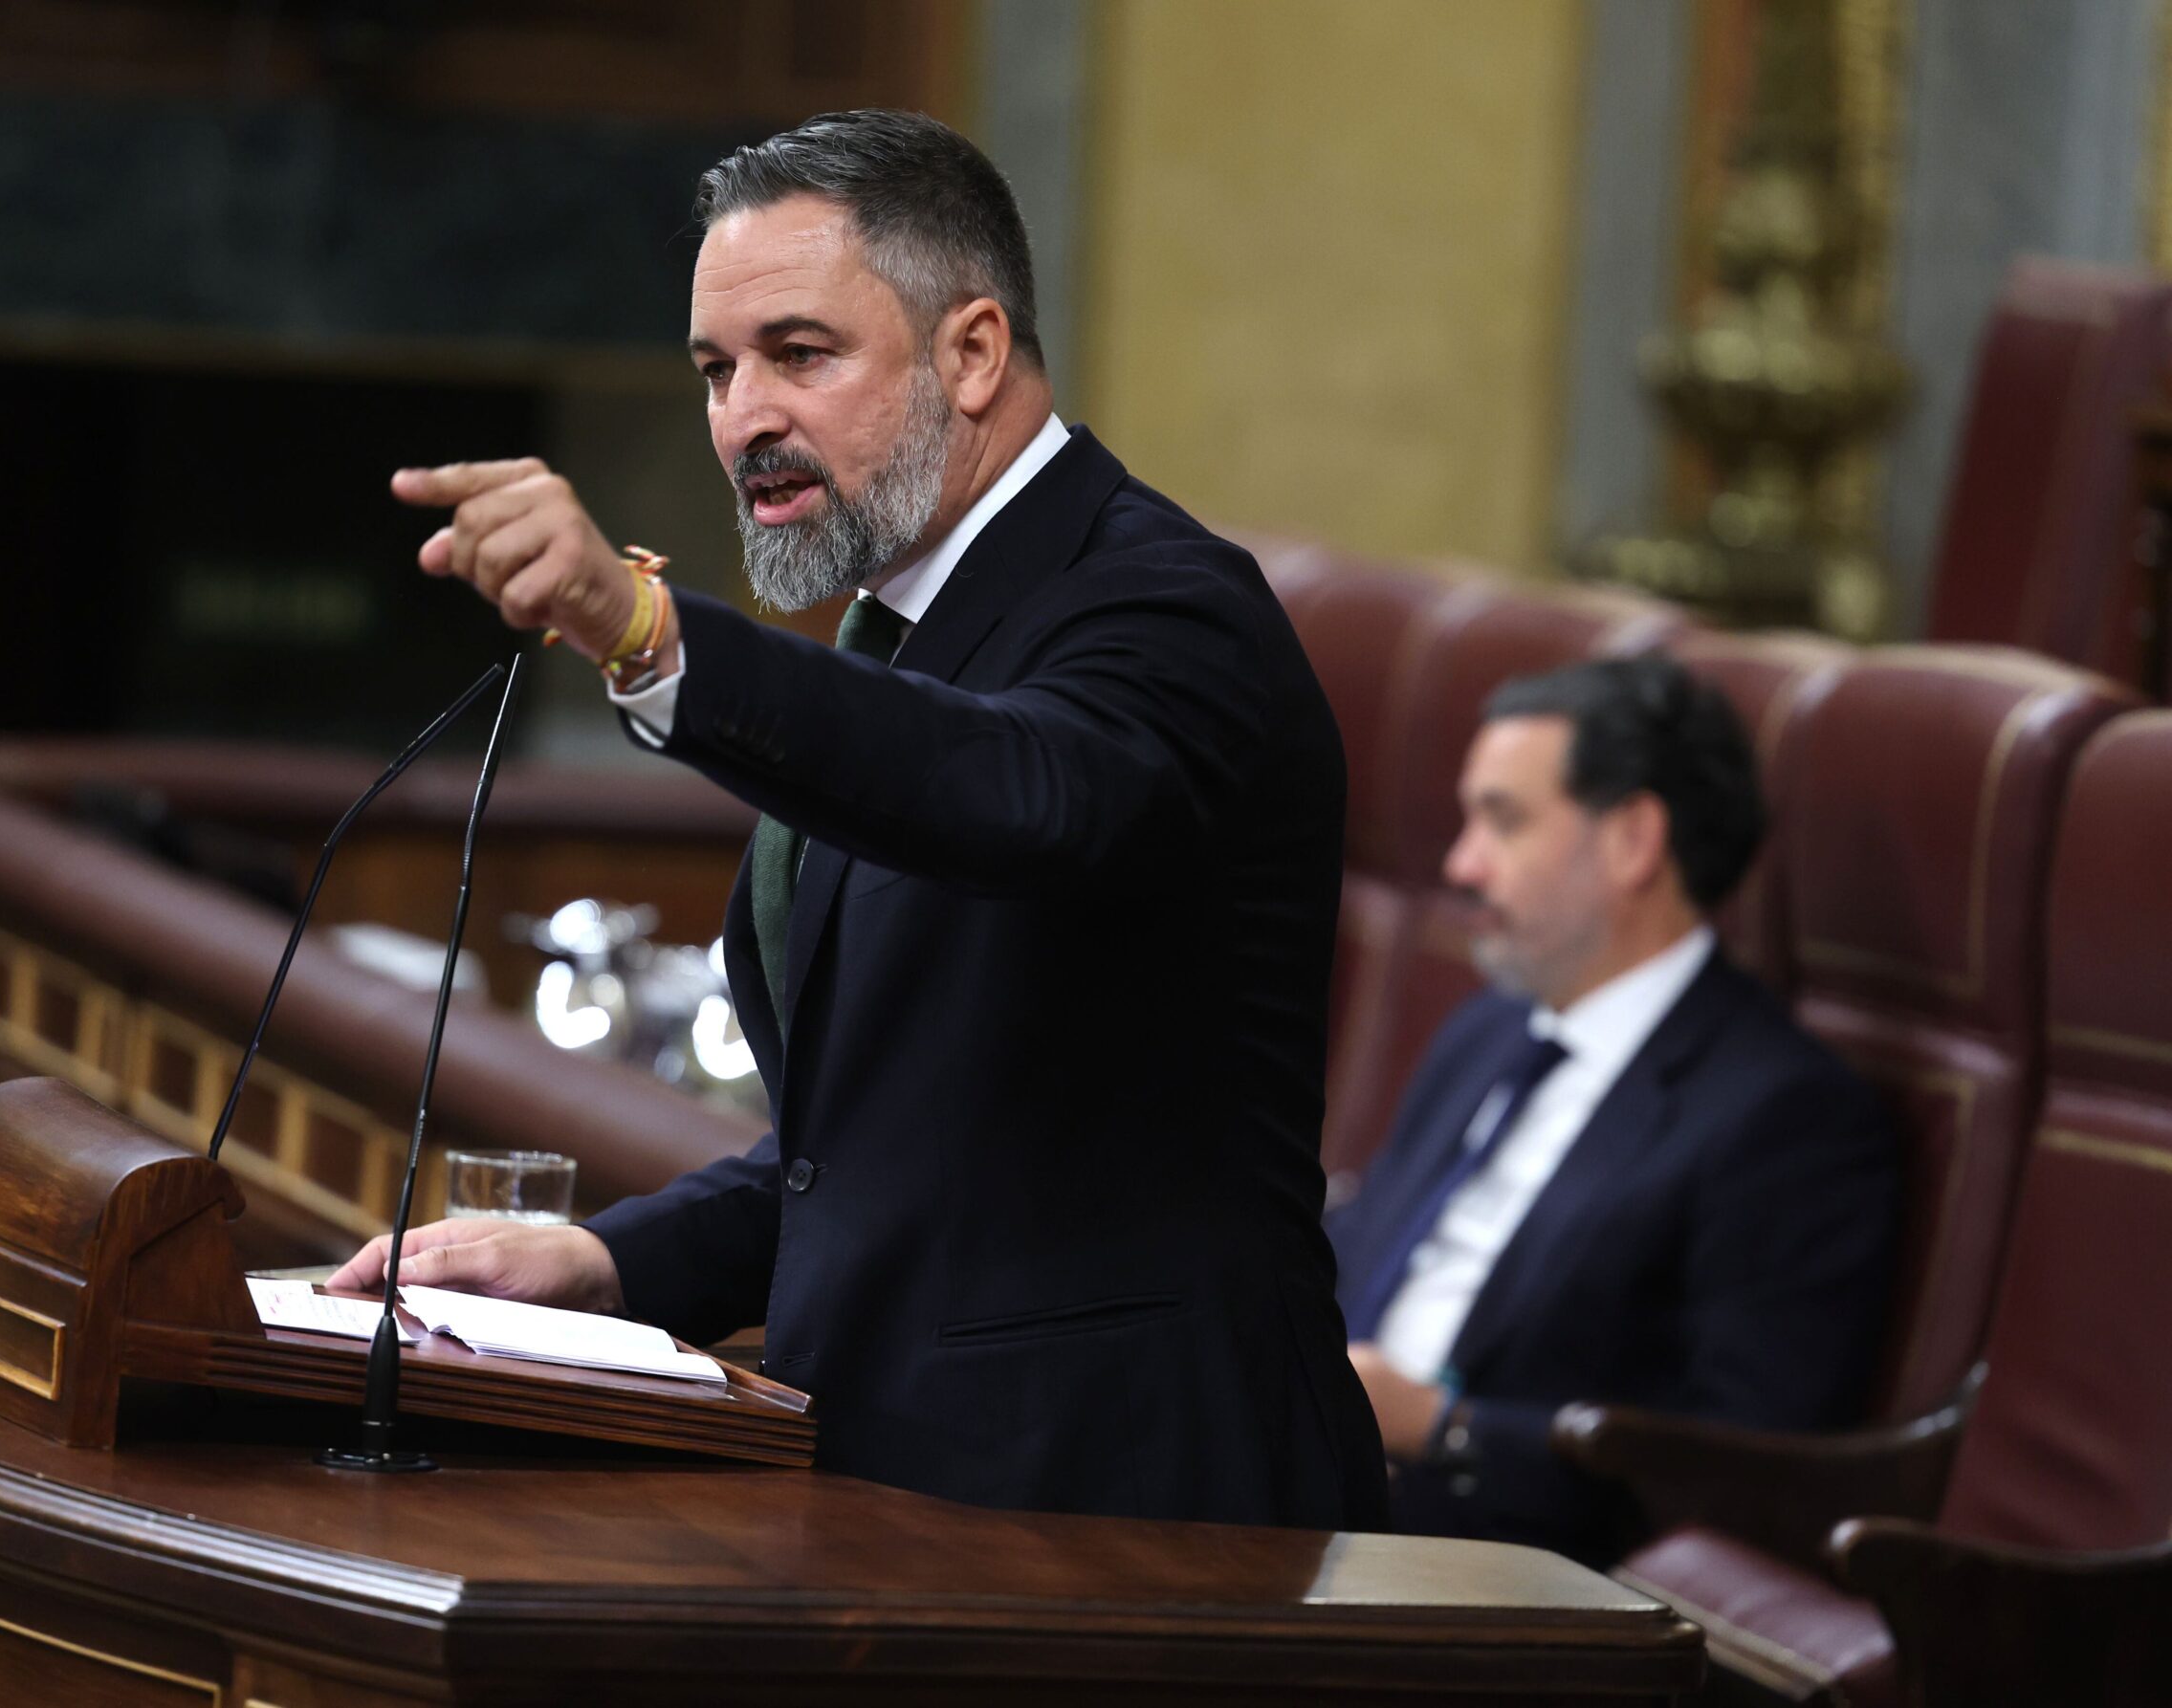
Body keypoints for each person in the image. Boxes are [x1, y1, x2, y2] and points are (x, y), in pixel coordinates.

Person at [331, 109, 1386, 1531]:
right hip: (916, 1504)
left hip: (1137, 1523)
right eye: (715, 370)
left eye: (798, 355)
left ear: (972, 352)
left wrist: (646, 630)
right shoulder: (900, 630)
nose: (742, 419)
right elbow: (883, 1158)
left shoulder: (1167, 604)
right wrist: (607, 1264)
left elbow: (1020, 791)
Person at [1324, 654, 1898, 1563]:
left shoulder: (1785, 1117)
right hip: (1314, 1484)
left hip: (1496, 1563)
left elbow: (1740, 1462)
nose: (1459, 864)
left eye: (1502, 822)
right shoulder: (1485, 1031)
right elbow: (1359, 1254)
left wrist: (1443, 1427)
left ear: (1633, 839)